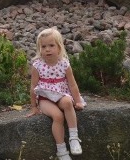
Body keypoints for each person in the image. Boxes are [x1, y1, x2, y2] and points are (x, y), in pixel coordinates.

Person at [27, 27, 86, 160]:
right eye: (43, 46)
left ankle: (74, 138)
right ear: (39, 49)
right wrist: (34, 107)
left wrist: (78, 101)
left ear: (59, 47)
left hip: (61, 94)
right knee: (58, 116)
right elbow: (33, 87)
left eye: (51, 45)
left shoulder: (64, 64)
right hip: (45, 98)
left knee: (67, 103)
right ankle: (61, 150)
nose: (47, 49)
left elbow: (72, 84)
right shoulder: (37, 65)